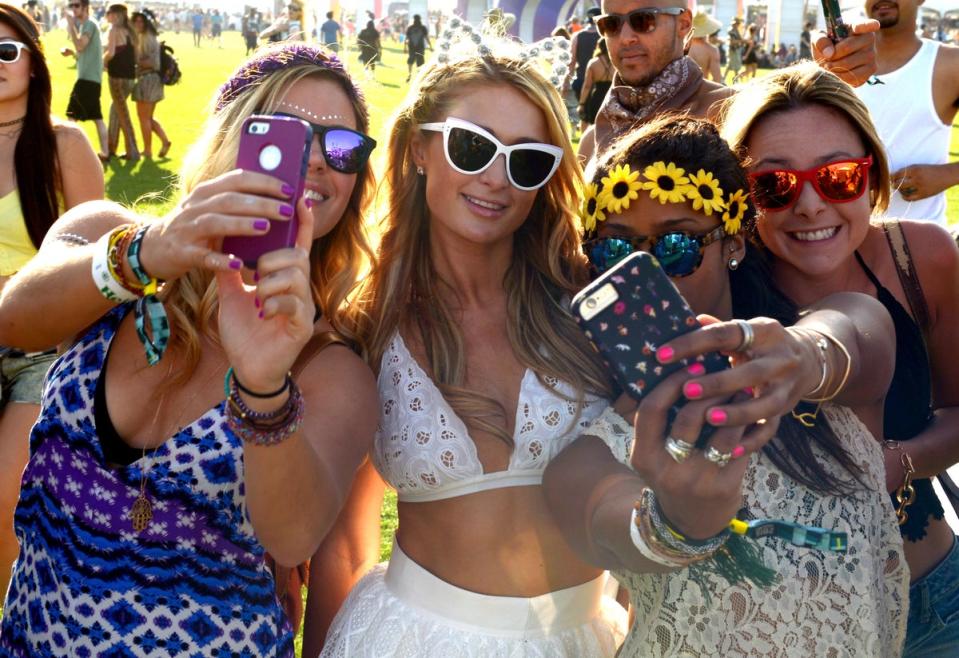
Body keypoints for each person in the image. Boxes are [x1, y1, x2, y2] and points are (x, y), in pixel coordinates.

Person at [0, 42, 379, 656]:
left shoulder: (327, 365)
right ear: (226, 135)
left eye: (341, 148)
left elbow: (292, 537)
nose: (313, 160)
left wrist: (264, 385)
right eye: (282, 131)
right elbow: (15, 320)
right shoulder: (107, 237)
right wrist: (148, 254)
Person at [545, 113, 908, 656]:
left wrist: (806, 358)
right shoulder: (602, 445)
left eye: (677, 246)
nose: (654, 274)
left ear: (733, 243)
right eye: (619, 252)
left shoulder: (817, 356)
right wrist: (678, 522)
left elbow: (857, 334)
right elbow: (596, 516)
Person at [311, 39, 628, 657]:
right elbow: (347, 542)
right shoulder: (366, 325)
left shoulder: (587, 304)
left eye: (527, 161)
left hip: (592, 639)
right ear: (421, 148)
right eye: (473, 146)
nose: (496, 179)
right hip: (415, 640)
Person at [722, 61, 959, 658]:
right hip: (779, 625)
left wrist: (887, 467)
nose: (808, 205)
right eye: (773, 185)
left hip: (931, 604)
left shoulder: (920, 258)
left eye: (838, 178)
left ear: (872, 175)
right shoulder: (722, 284)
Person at [0, 0, 103, 602]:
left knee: (7, 498)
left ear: (34, 65)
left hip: (41, 349)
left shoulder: (64, 144)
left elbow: (95, 261)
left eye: (6, 50)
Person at [577, 0, 881, 163]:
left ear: (684, 24)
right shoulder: (593, 140)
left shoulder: (734, 110)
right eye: (611, 24)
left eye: (644, 21)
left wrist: (833, 67)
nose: (627, 37)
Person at [854, 0, 959, 225]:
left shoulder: (950, 64)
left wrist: (949, 174)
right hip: (844, 245)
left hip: (922, 245)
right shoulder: (838, 64)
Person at [61, 0, 108, 162]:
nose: (73, 9)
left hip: (87, 80)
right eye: (71, 6)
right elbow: (83, 52)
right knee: (97, 117)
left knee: (71, 116)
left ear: (85, 7)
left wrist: (70, 26)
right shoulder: (87, 25)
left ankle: (69, 152)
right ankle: (105, 152)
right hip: (92, 79)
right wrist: (73, 54)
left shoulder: (88, 24)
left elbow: (81, 45)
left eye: (76, 5)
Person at [131, 9, 170, 160]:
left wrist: (135, 62)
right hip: (152, 80)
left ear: (146, 23)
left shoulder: (147, 38)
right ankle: (165, 141)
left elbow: (154, 63)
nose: (138, 24)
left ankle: (147, 150)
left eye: (141, 21)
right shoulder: (146, 37)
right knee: (148, 117)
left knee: (143, 118)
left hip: (148, 80)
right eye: (136, 21)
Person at [103, 3, 138, 162]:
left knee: (123, 114)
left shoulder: (114, 30)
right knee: (115, 110)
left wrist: (101, 61)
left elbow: (110, 53)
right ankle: (111, 148)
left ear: (115, 14)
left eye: (108, 12)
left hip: (116, 77)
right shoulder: (131, 32)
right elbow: (135, 56)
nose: (106, 15)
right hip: (130, 77)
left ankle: (133, 150)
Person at [578, 38, 613, 129]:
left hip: (596, 98)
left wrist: (582, 104)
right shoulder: (616, 61)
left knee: (595, 126)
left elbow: (587, 86)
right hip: (612, 96)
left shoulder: (593, 63)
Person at [569, 6, 601, 100]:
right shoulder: (604, 36)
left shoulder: (577, 36)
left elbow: (572, 60)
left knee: (584, 111)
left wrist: (567, 81)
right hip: (601, 82)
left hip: (581, 79)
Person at [688, 11, 722, 82]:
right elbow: (717, 78)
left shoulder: (682, 48)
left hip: (684, 91)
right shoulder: (712, 50)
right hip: (702, 89)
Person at [404, 14, 430, 82]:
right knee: (420, 62)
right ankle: (419, 76)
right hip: (420, 48)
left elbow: (406, 39)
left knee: (410, 61)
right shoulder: (423, 28)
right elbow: (426, 38)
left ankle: (409, 74)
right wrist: (430, 46)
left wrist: (405, 47)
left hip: (412, 47)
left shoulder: (410, 28)